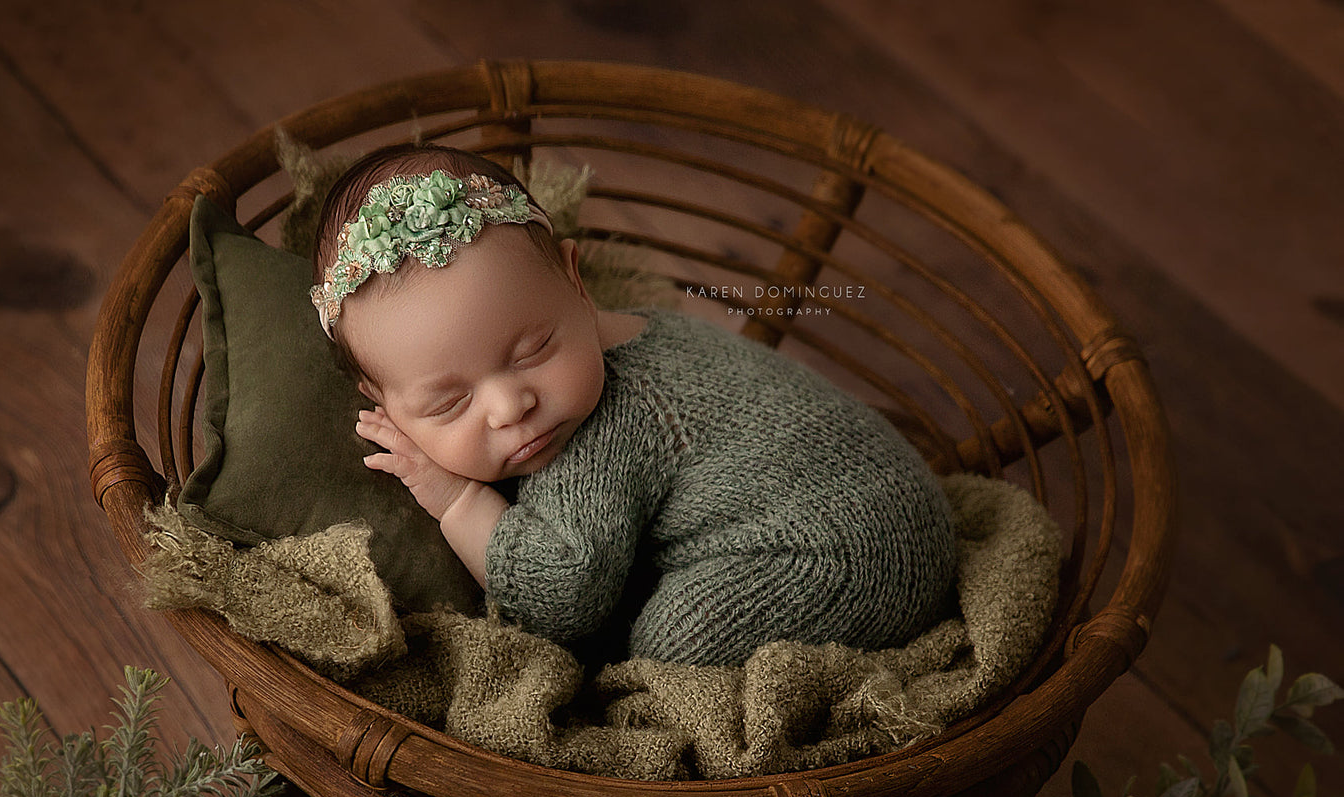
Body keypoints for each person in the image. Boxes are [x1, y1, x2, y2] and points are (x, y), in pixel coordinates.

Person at [310, 143, 957, 667]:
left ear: (577, 283)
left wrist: (456, 499)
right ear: (380, 401)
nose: (511, 407)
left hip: (844, 556)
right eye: (450, 402)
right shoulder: (635, 330)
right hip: (896, 499)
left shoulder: (600, 430)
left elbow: (562, 597)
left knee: (670, 643)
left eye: (534, 350)